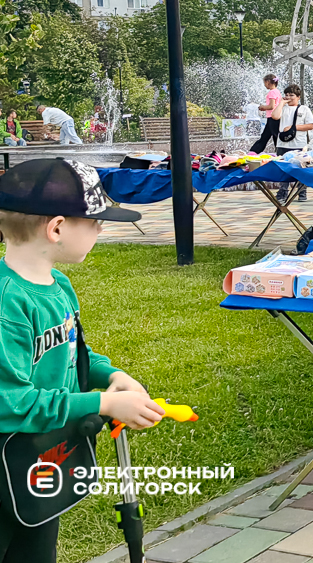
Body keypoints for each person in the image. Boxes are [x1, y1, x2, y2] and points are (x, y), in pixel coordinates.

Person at [0, 159, 164, 562]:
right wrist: (103, 404)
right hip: (7, 456)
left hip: (41, 453)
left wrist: (111, 375)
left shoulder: (58, 285)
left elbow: (75, 351)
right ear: (56, 228)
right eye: (94, 222)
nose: (101, 229)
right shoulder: (8, 302)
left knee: (38, 544)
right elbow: (11, 402)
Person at [271, 84, 313, 204]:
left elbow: (311, 125)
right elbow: (274, 116)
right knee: (283, 169)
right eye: (286, 95)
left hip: (298, 143)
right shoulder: (283, 108)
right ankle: (283, 192)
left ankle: (302, 191)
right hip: (283, 144)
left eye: (291, 95)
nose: (288, 97)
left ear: (298, 97)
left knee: (301, 168)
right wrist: (281, 103)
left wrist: (293, 127)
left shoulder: (304, 109)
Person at [249, 74, 283, 154]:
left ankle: (253, 152)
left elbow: (271, 106)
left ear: (268, 82)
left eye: (264, 83)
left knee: (267, 137)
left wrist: (262, 107)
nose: (264, 85)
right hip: (276, 117)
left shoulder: (272, 92)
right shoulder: (277, 91)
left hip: (272, 117)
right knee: (272, 136)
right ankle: (279, 153)